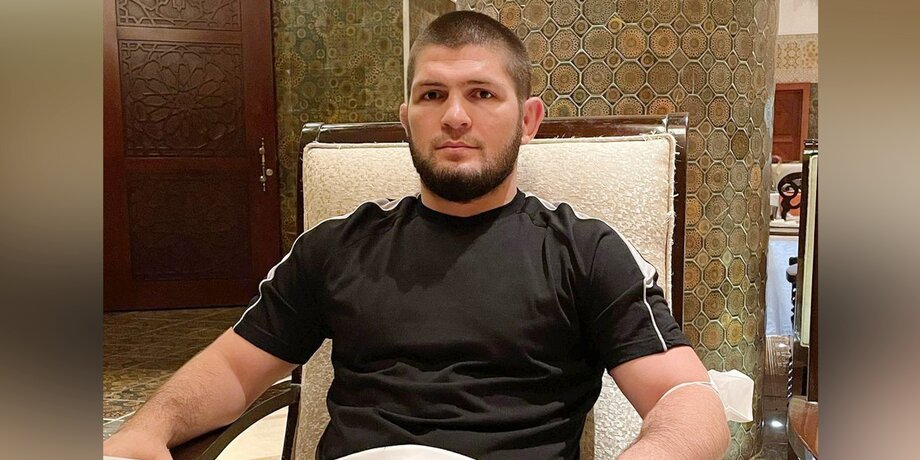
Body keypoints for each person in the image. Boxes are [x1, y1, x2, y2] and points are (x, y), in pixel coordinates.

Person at [104, 10, 730, 460]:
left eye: (482, 93)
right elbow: (232, 369)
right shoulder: (336, 246)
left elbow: (685, 396)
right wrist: (145, 431)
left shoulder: (585, 251)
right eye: (433, 94)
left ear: (528, 119)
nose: (454, 116)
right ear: (406, 119)